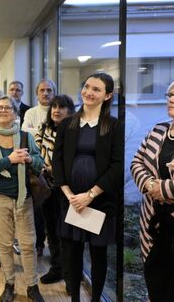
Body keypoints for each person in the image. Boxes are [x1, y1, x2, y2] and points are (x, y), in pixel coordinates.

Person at [52, 73, 122, 302]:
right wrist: (70, 195)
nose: (89, 92)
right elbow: (57, 162)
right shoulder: (66, 125)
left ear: (108, 95)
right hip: (71, 201)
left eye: (97, 89)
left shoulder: (113, 126)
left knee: (98, 254)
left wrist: (90, 195)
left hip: (100, 201)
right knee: (72, 253)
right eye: (87, 87)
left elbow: (117, 165)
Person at [131, 77, 174, 302]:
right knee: (157, 287)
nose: (171, 100)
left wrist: (163, 189)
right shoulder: (157, 130)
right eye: (170, 95)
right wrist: (149, 185)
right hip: (156, 222)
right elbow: (136, 163)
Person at [0, 96, 45, 302]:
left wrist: (31, 159)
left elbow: (39, 163)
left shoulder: (26, 137)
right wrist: (10, 160)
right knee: (5, 244)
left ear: (16, 113)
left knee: (27, 245)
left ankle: (32, 286)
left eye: (8, 107)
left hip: (23, 199)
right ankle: (9, 284)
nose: (3, 110)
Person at [34, 95, 75, 293]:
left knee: (67, 234)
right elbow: (35, 154)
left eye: (62, 107)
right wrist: (42, 167)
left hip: (68, 190)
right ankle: (57, 268)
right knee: (51, 230)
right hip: (46, 187)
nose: (56, 110)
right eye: (54, 107)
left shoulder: (75, 132)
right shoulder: (44, 129)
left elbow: (75, 161)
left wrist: (54, 170)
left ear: (70, 110)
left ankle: (70, 277)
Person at [23, 79, 56, 257]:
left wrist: (35, 130)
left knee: (52, 214)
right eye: (42, 90)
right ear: (37, 93)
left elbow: (34, 132)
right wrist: (43, 131)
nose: (45, 93)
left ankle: (53, 248)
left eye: (49, 90)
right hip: (36, 168)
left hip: (55, 171)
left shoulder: (57, 111)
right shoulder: (30, 112)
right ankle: (38, 244)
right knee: (37, 211)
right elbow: (25, 132)